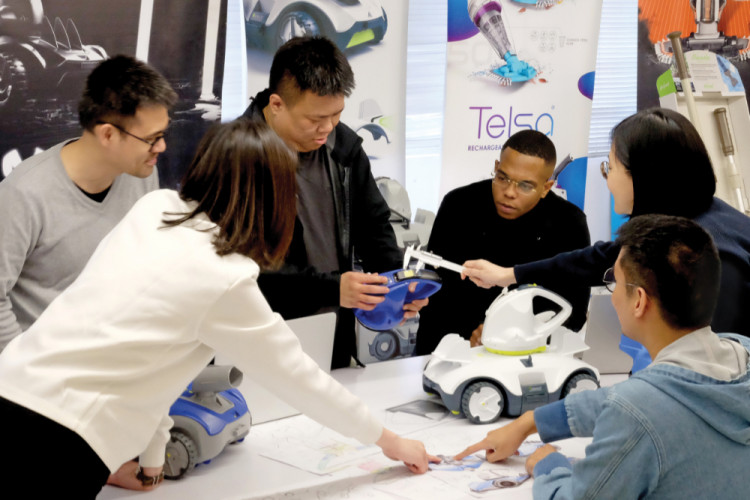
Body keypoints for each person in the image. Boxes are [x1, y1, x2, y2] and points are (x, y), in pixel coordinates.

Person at [0, 120, 439, 499]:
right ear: (273, 199)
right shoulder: (223, 278)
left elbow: (143, 358)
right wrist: (392, 442)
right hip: (59, 440)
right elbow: (301, 380)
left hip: (12, 384)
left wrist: (152, 460)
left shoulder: (154, 208)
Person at [456, 214, 750, 499]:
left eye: (615, 281)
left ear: (639, 301)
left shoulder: (639, 412)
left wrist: (547, 464)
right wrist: (532, 421)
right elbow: (630, 399)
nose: (612, 294)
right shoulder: (740, 353)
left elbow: (636, 410)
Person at [462, 107, 750, 337]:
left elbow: (719, 380)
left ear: (645, 177)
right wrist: (507, 274)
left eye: (610, 168)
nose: (608, 181)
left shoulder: (710, 256)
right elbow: (600, 258)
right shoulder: (680, 224)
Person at [241, 36, 425, 368]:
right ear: (277, 104)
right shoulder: (236, 157)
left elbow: (375, 230)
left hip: (331, 335)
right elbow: (243, 270)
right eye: (314, 119)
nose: (327, 128)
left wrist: (398, 288)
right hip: (259, 336)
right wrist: (332, 290)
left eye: (337, 114)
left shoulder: (344, 149)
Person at [0, 54, 176, 350]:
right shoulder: (23, 195)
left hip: (110, 354)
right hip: (40, 374)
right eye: (152, 138)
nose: (161, 146)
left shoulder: (143, 174)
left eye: (163, 134)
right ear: (107, 134)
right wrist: (23, 373)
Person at [415, 130, 590, 355]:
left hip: (531, 356)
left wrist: (511, 334)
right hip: (446, 350)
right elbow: (435, 291)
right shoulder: (458, 205)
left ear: (546, 187)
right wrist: (473, 335)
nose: (509, 192)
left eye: (526, 186)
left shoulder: (569, 223)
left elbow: (573, 311)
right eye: (502, 177)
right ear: (497, 166)